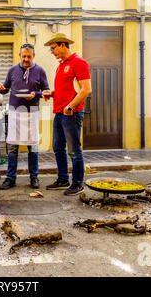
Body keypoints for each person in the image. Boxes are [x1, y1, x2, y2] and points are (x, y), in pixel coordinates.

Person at [42, 33, 92, 196]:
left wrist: (70, 107)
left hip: (71, 113)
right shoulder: (60, 65)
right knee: (57, 147)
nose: (52, 52)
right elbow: (68, 90)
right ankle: (63, 179)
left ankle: (78, 183)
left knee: (73, 149)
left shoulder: (79, 62)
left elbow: (86, 90)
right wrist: (52, 93)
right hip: (59, 112)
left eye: (53, 48)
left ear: (63, 45)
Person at [0, 43, 49, 190]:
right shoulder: (12, 70)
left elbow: (46, 91)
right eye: (24, 56)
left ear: (33, 56)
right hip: (14, 113)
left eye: (29, 56)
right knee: (13, 147)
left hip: (32, 113)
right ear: (19, 55)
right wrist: (1, 89)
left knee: (33, 147)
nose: (26, 59)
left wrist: (36, 94)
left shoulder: (40, 71)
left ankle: (34, 177)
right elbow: (5, 89)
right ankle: (11, 178)